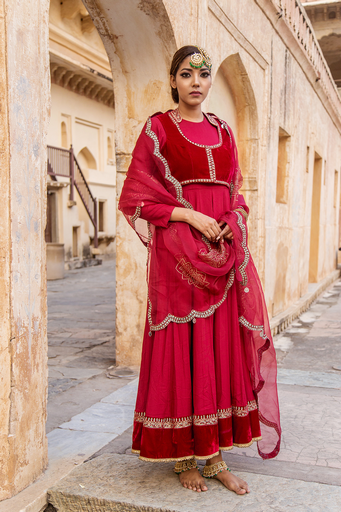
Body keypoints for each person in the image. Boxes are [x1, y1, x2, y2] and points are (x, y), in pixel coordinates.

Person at [119, 45, 281, 494]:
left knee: (218, 351)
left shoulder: (225, 132)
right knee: (185, 349)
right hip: (179, 258)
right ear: (173, 80)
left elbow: (236, 195)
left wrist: (231, 223)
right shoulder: (158, 129)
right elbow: (136, 198)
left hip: (222, 255)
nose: (196, 81)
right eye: (187, 73)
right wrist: (190, 217)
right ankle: (183, 456)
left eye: (204, 74)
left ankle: (214, 456)